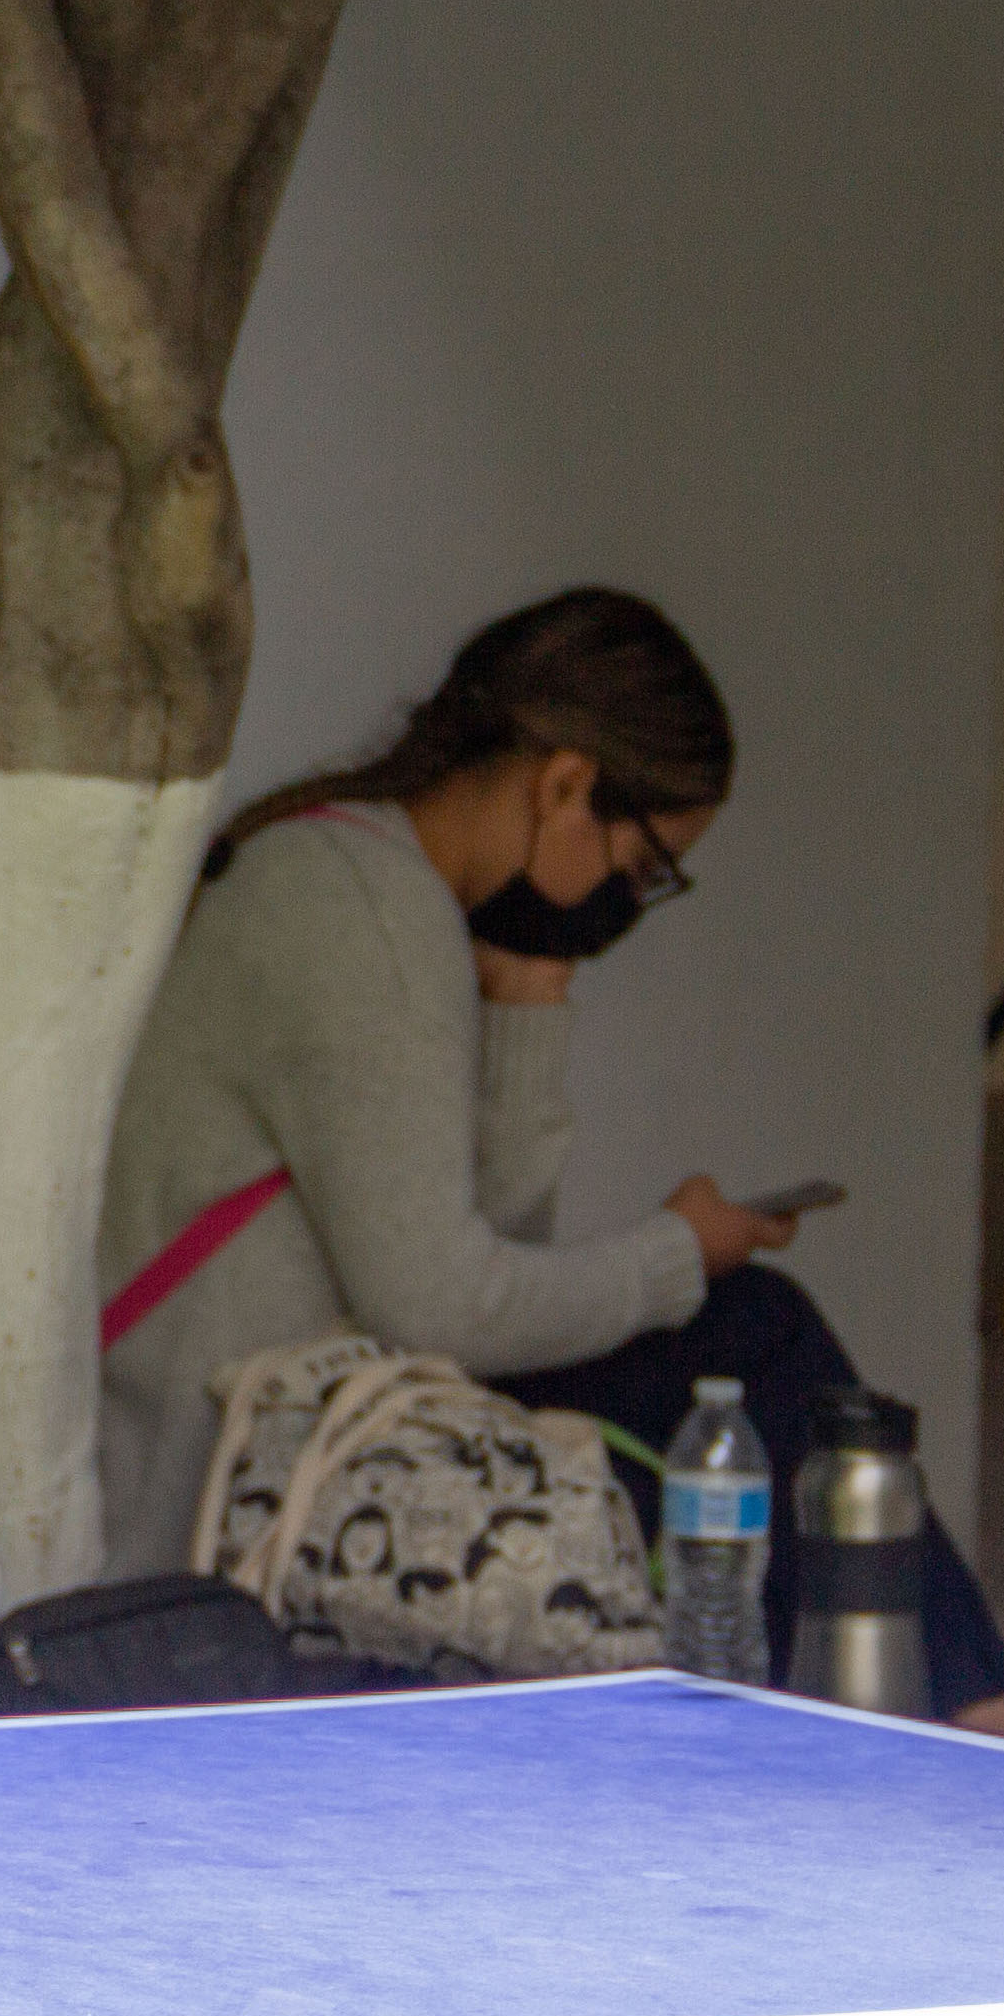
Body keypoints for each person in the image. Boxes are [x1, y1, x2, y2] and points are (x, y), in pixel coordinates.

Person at [100, 588, 1004, 1729]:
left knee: (746, 1333)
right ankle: (970, 1721)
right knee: (753, 1332)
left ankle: (943, 1717)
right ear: (567, 785)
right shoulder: (361, 912)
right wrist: (680, 1252)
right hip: (246, 1475)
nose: (630, 904)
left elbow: (481, 1266)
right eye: (646, 867)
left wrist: (528, 1001)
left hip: (339, 1433)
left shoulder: (384, 891)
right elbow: (453, 1310)